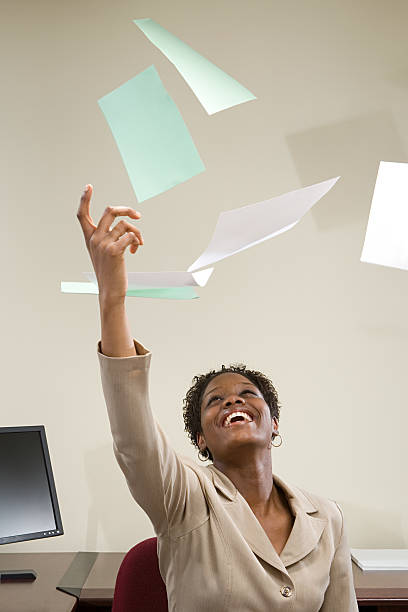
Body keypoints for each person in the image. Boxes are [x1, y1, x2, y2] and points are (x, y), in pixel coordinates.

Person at [77, 184, 358, 611]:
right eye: (216, 401)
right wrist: (112, 297)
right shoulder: (184, 498)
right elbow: (134, 437)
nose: (233, 401)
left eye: (248, 394)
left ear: (274, 423)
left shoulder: (327, 517)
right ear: (201, 440)